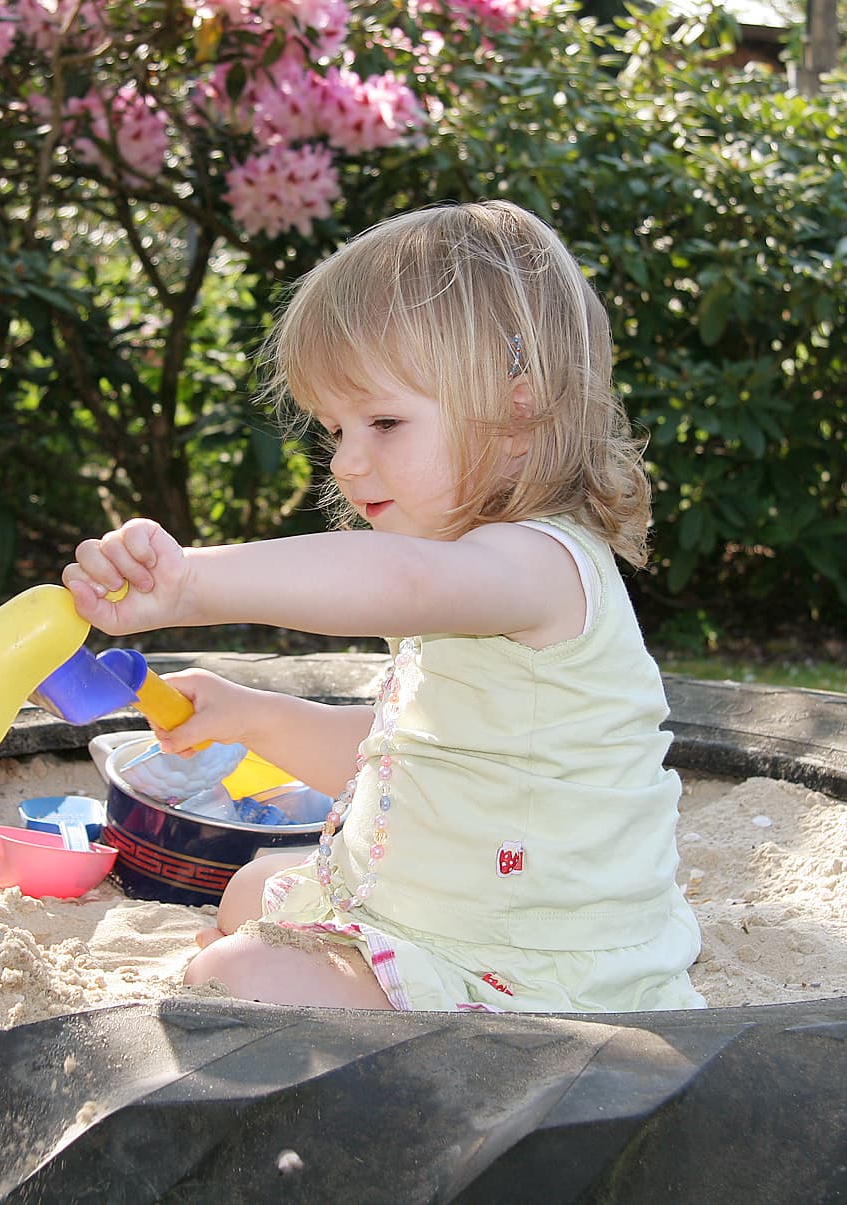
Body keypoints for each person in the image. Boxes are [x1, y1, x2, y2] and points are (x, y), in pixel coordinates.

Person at [63, 200, 703, 1013]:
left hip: (528, 965)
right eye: (334, 429)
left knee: (233, 975)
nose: (348, 460)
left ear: (519, 409)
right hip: (425, 911)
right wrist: (251, 716)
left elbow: (391, 578)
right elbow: (407, 764)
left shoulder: (540, 564)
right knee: (253, 888)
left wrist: (191, 583)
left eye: (385, 421)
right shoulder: (466, 575)